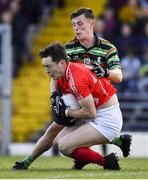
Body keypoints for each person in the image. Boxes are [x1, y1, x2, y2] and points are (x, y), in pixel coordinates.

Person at [12, 8, 131, 170]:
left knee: (64, 144)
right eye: (74, 25)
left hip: (99, 103)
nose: (76, 28)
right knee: (56, 136)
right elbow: (55, 75)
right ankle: (26, 162)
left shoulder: (107, 48)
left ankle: (109, 152)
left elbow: (118, 76)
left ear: (92, 23)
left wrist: (106, 72)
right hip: (80, 100)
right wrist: (54, 96)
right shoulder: (68, 49)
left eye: (80, 24)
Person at [39, 42, 123, 170]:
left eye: (48, 66)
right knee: (57, 141)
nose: (46, 70)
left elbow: (90, 113)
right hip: (97, 111)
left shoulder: (75, 79)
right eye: (44, 66)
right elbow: (54, 81)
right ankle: (84, 159)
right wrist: (54, 95)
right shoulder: (68, 71)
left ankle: (107, 162)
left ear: (62, 63)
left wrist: (66, 112)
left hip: (107, 119)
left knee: (64, 146)